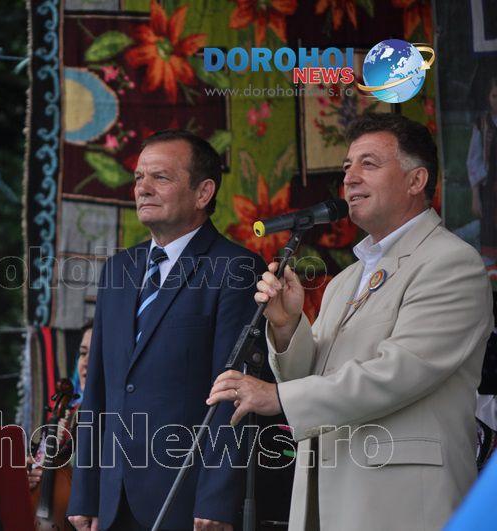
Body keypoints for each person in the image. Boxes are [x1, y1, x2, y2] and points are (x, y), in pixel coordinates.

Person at [207, 113, 494, 530]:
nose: (350, 178)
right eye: (347, 167)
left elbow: (400, 372)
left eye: (368, 164)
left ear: (416, 180)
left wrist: (279, 397)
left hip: (400, 503)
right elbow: (311, 376)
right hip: (329, 495)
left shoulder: (450, 263)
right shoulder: (346, 279)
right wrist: (287, 327)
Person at [68, 130, 265, 531]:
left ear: (203, 192)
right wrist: (85, 492)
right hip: (113, 501)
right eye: (139, 177)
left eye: (160, 177)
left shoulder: (236, 269)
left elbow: (233, 396)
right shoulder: (118, 270)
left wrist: (216, 499)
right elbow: (98, 390)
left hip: (187, 501)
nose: (143, 188)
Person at [28, 319, 93, 490]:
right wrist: (32, 472)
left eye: (95, 354)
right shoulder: (67, 417)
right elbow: (37, 464)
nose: (86, 362)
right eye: (83, 353)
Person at [467, 77, 497, 265]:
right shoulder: (482, 123)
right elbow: (474, 160)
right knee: (489, 228)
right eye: (495, 96)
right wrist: (476, 195)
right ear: (489, 97)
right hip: (489, 187)